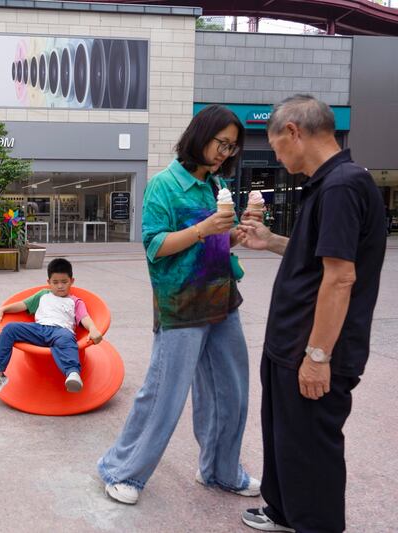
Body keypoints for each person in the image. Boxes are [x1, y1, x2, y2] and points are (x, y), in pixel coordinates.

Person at [235, 95, 386, 533]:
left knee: (311, 448)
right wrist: (273, 240)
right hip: (291, 344)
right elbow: (321, 255)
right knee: (285, 437)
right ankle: (284, 510)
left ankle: (314, 524)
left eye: (277, 147)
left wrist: (318, 357)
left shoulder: (341, 186)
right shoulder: (330, 185)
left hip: (314, 349)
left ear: (293, 131)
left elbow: (340, 278)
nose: (278, 159)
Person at [98, 104, 261, 506]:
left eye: (233, 147)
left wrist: (239, 232)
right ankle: (122, 471)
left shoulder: (212, 186)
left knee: (231, 391)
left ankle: (220, 471)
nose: (226, 153)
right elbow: (155, 246)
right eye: (221, 143)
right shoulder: (164, 185)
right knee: (163, 393)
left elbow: (216, 243)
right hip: (182, 305)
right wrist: (204, 228)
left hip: (223, 299)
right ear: (200, 135)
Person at [0, 258, 103, 396]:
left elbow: (85, 318)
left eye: (64, 282)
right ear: (49, 283)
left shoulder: (75, 301)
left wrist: (93, 329)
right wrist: (3, 309)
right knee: (9, 329)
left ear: (72, 281)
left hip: (61, 331)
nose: (60, 286)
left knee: (67, 339)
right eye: (55, 282)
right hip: (38, 329)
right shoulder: (43, 295)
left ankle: (73, 374)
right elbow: (23, 305)